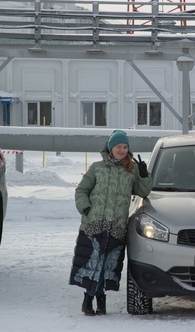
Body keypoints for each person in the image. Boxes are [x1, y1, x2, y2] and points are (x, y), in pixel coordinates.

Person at [69, 130, 152, 316]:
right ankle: (91, 298)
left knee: (106, 266)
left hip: (116, 226)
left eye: (125, 147)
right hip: (94, 224)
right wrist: (87, 209)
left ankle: (97, 298)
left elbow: (143, 192)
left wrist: (144, 175)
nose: (121, 150)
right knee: (94, 264)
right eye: (118, 146)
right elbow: (81, 190)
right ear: (110, 147)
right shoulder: (97, 168)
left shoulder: (131, 170)